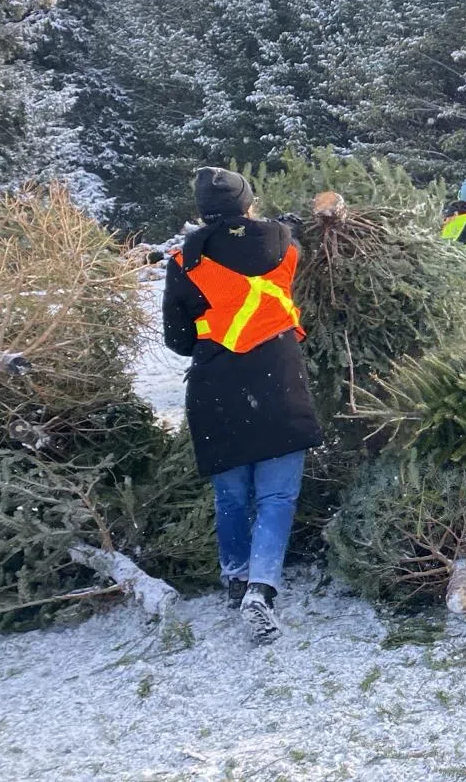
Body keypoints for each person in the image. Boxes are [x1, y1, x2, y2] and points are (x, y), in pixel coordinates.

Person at [162, 167, 323, 645]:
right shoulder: (287, 245)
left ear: (200, 212)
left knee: (231, 494)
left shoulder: (183, 261)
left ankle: (235, 578)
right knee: (276, 496)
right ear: (249, 204)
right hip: (280, 377)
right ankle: (261, 587)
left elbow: (177, 340)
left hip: (217, 384)